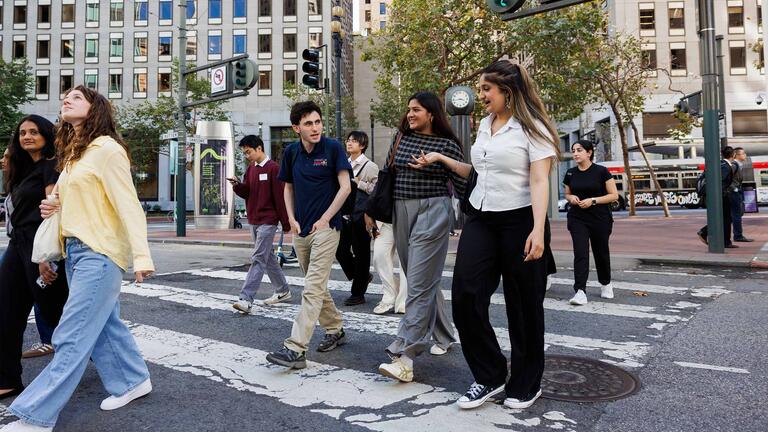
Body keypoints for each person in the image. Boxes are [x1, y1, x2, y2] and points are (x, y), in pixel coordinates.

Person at [2, 86, 155, 432]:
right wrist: (54, 207)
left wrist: (141, 255)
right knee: (104, 327)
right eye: (65, 97)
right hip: (75, 252)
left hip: (99, 253)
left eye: (77, 97)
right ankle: (133, 381)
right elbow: (76, 205)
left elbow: (128, 204)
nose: (66, 100)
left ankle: (36, 417)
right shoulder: (74, 156)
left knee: (70, 334)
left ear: (95, 108)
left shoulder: (108, 150)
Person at [410, 61, 558, 410]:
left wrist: (538, 230)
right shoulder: (487, 125)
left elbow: (539, 181)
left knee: (523, 307)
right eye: (479, 89)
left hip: (521, 220)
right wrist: (442, 159)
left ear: (507, 91)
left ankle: (526, 383)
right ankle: (490, 375)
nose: (481, 95)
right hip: (481, 217)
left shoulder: (532, 127)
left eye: (486, 89)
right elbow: (478, 171)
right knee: (465, 294)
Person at [375, 91, 465, 383]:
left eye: (416, 110)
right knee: (421, 279)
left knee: (418, 283)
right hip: (401, 211)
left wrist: (474, 221)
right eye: (408, 109)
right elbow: (388, 173)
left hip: (433, 211)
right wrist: (371, 211)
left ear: (431, 114)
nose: (410, 114)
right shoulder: (400, 138)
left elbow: (463, 184)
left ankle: (405, 355)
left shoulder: (447, 145)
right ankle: (445, 334)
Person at [266, 101, 352, 369]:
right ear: (296, 128)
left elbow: (346, 187)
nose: (315, 128)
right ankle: (335, 327)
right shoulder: (291, 153)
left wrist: (326, 218)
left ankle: (296, 348)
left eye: (317, 122)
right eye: (308, 124)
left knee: (312, 287)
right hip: (301, 230)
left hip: (327, 229)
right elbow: (287, 189)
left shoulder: (333, 148)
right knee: (317, 285)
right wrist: (290, 219)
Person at [0, 115, 69, 402]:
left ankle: (111, 360)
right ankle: (7, 380)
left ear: (45, 134)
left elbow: (51, 213)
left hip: (39, 248)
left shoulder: (51, 167)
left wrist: (45, 257)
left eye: (33, 131)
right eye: (22, 133)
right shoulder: (22, 170)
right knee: (5, 312)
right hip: (17, 247)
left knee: (58, 313)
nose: (26, 136)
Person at [227, 135, 292, 312]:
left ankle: (246, 299)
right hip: (254, 219)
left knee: (258, 258)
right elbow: (248, 192)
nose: (247, 156)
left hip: (268, 221)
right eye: (245, 153)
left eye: (248, 152)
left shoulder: (274, 169)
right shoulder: (251, 169)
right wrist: (237, 185)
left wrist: (286, 223)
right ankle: (283, 290)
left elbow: (280, 199)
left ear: (259, 148)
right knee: (267, 257)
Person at [563, 140, 619, 306]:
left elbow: (614, 195)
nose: (575, 153)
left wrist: (593, 200)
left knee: (600, 252)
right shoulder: (570, 173)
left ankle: (606, 283)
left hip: (600, 218)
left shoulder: (601, 172)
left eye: (579, 150)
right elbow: (567, 193)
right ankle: (580, 291)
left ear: (589, 153)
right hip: (577, 218)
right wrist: (571, 198)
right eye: (573, 150)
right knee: (580, 253)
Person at [336, 131, 378, 306]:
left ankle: (358, 293)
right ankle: (362, 276)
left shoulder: (370, 166)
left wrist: (358, 183)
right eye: (348, 140)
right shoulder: (343, 164)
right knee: (341, 251)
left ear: (362, 145)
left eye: (354, 141)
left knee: (361, 254)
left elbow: (376, 191)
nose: (349, 143)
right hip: (344, 215)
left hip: (362, 216)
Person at [366, 215, 408, 315]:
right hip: (384, 217)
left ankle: (402, 301)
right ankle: (392, 292)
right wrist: (368, 213)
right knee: (378, 257)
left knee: (406, 260)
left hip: (408, 214)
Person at [698, 146, 737, 248]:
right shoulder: (725, 166)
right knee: (726, 218)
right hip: (722, 195)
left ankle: (706, 232)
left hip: (719, 195)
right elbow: (719, 181)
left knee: (723, 218)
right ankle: (724, 241)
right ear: (733, 155)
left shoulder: (720, 164)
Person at [730, 147, 753, 242]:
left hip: (736, 192)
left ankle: (738, 235)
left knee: (736, 214)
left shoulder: (738, 165)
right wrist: (735, 190)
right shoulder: (734, 165)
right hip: (733, 193)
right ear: (737, 155)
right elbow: (728, 180)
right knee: (736, 214)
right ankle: (738, 236)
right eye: (743, 153)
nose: (745, 155)